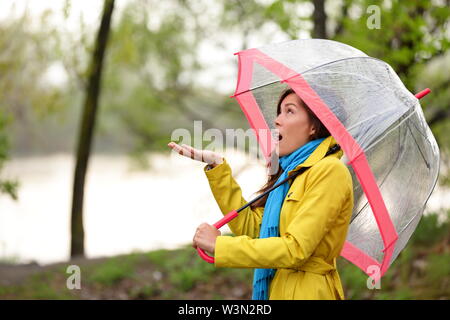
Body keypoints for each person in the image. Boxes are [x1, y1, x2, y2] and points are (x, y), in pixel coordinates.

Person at [167, 88, 354, 300]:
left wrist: (220, 245)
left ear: (314, 125)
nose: (277, 121)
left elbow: (295, 249)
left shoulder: (329, 171)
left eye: (289, 112)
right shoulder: (293, 173)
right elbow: (257, 230)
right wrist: (217, 168)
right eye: (279, 112)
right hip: (278, 288)